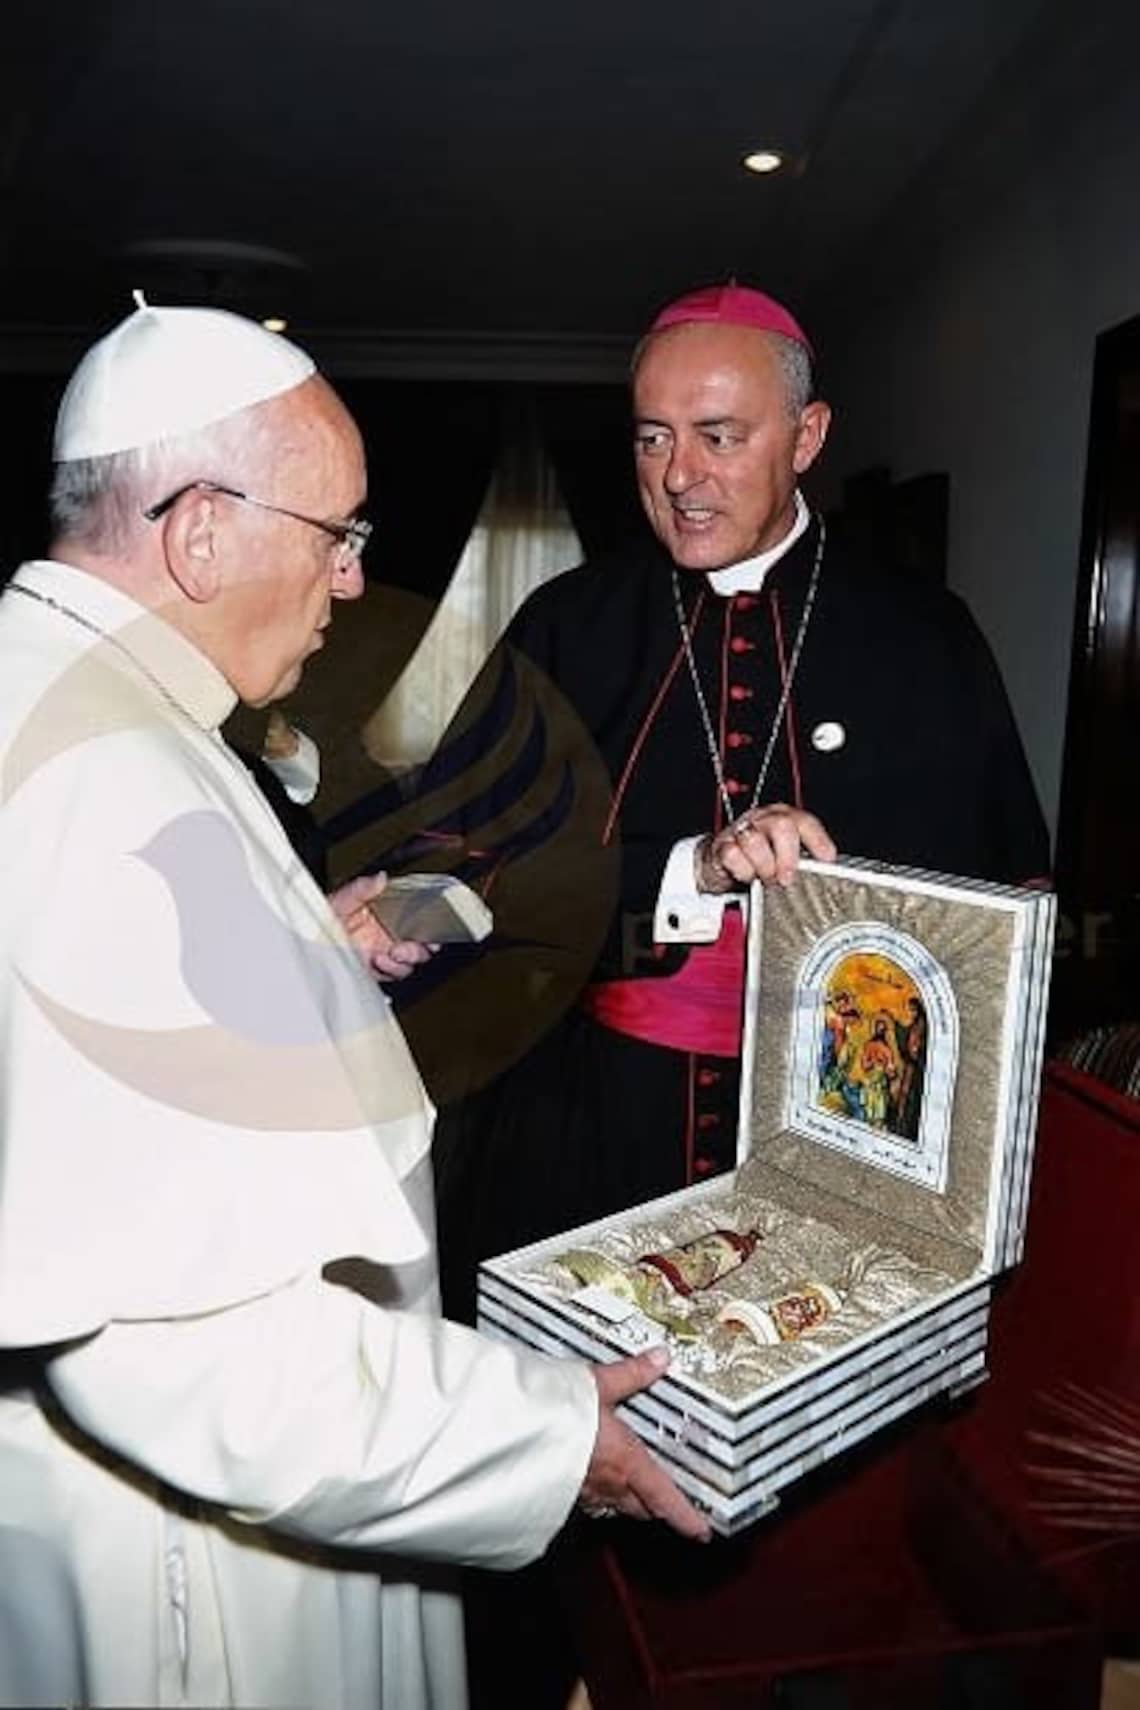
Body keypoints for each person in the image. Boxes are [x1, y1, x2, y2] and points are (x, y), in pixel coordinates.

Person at [0, 300, 708, 1710]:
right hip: (200, 1570)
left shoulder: (76, 704)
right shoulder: (101, 773)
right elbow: (184, 1353)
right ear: (200, 530)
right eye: (339, 535)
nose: (346, 582)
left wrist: (296, 947)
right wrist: (551, 1440)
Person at [430, 280, 1051, 1322]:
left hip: (851, 1146)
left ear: (807, 437)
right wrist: (691, 870)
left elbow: (1005, 902)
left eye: (718, 436)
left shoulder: (925, 635)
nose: (680, 478)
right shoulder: (569, 625)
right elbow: (461, 871)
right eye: (651, 440)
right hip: (592, 1120)